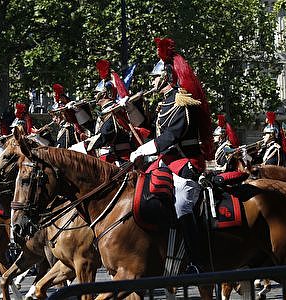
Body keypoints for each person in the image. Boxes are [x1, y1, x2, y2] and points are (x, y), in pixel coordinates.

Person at [129, 37, 214, 273]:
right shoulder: (165, 103)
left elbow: (171, 136)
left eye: (155, 77)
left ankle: (197, 262)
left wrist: (142, 150)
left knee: (182, 207)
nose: (152, 81)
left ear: (166, 77)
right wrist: (132, 109)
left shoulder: (181, 101)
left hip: (186, 164)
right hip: (167, 162)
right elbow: (150, 130)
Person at [85, 59, 133, 165]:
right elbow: (95, 129)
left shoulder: (114, 111)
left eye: (96, 93)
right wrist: (78, 112)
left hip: (119, 158)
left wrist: (85, 144)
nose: (94, 96)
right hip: (110, 157)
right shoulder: (105, 113)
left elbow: (105, 134)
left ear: (104, 94)